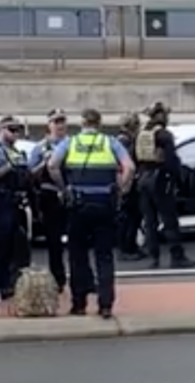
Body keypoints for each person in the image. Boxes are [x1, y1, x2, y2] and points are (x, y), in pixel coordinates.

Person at [48, 109, 134, 318]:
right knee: (104, 256)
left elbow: (52, 165)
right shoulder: (110, 142)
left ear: (82, 123)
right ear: (99, 123)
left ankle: (79, 304)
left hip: (79, 204)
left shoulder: (71, 142)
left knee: (78, 256)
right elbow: (129, 167)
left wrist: (64, 187)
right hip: (104, 203)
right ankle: (105, 305)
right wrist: (120, 188)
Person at [135, 102, 195, 269]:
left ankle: (153, 258)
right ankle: (177, 257)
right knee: (170, 220)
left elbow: (136, 158)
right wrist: (179, 181)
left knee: (150, 222)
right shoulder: (164, 135)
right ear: (161, 116)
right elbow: (171, 161)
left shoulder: (142, 134)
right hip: (160, 179)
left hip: (143, 179)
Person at [0, 116, 32, 301]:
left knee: (14, 246)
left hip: (15, 202)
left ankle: (6, 283)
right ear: (2, 130)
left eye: (17, 130)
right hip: (0, 201)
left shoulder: (16, 151)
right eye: (11, 129)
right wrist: (7, 167)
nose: (15, 133)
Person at [28, 109, 70, 292]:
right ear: (49, 125)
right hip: (50, 195)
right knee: (54, 242)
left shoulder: (72, 144)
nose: (59, 125)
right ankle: (58, 279)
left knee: (77, 239)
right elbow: (30, 175)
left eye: (62, 121)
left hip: (71, 194)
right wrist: (43, 163)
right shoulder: (41, 147)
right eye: (56, 122)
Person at [115, 111, 146, 260]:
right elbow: (126, 164)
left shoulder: (124, 139)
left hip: (128, 182)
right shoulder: (124, 141)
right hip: (127, 182)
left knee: (133, 217)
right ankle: (126, 249)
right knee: (129, 217)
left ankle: (131, 246)